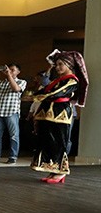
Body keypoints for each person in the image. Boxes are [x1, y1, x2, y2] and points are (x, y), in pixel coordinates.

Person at [30, 50, 89, 183]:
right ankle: (53, 170)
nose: (57, 67)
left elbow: (57, 93)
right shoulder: (58, 80)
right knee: (49, 142)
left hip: (60, 113)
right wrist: (37, 94)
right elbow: (46, 90)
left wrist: (39, 96)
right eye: (56, 65)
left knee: (59, 142)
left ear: (69, 65)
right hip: (49, 113)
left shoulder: (72, 80)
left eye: (60, 64)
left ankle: (61, 171)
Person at [0, 63, 26, 164]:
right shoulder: (1, 82)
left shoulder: (22, 82)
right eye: (8, 70)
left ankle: (13, 156)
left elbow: (16, 89)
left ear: (18, 72)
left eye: (13, 70)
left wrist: (9, 75)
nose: (9, 71)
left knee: (14, 135)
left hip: (12, 112)